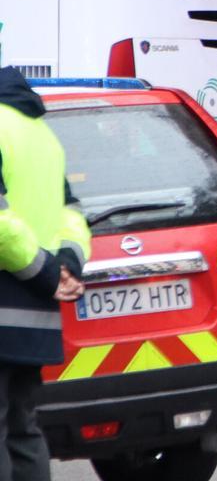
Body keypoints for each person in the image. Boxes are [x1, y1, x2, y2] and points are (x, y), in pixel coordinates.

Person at [0, 67, 91, 479]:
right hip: (34, 318)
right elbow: (71, 216)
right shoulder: (44, 137)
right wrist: (65, 267)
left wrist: (44, 273)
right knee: (23, 431)